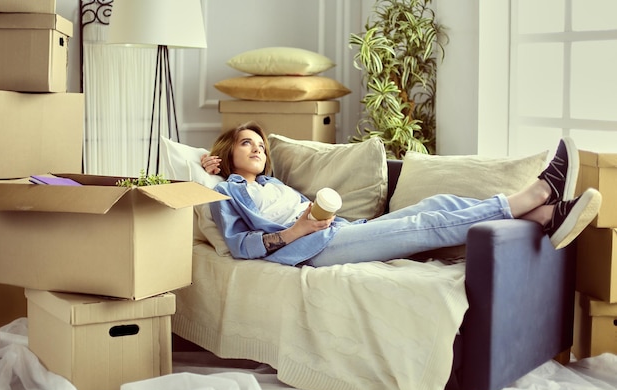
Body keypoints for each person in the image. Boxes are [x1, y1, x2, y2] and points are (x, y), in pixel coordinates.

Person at [202, 122, 602, 267]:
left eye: (260, 144)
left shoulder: (272, 184)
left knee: (434, 204)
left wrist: (312, 216)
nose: (257, 148)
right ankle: (537, 194)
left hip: (337, 230)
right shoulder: (227, 192)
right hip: (311, 250)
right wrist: (297, 231)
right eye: (245, 144)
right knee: (425, 223)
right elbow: (241, 246)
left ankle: (545, 218)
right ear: (227, 153)